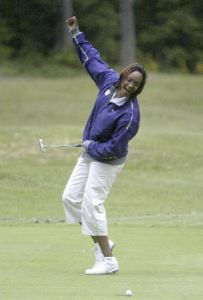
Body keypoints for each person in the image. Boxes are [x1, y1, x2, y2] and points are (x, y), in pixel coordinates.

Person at [62, 16, 147, 275]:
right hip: (91, 152)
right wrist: (76, 34)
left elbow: (112, 147)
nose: (130, 84)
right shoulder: (109, 82)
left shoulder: (130, 115)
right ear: (123, 76)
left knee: (92, 203)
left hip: (108, 160)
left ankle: (108, 261)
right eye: (129, 79)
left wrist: (90, 146)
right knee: (70, 199)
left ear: (139, 88)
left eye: (136, 84)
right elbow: (92, 59)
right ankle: (103, 243)